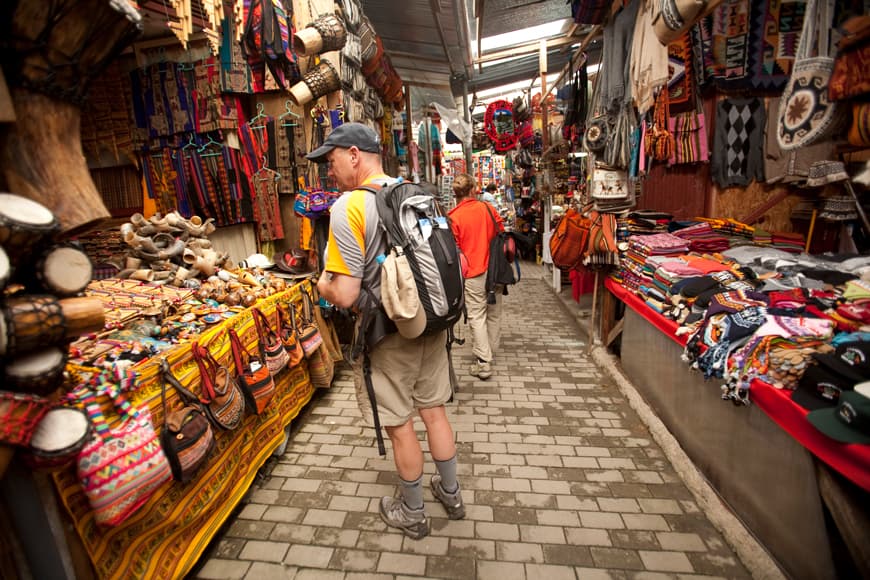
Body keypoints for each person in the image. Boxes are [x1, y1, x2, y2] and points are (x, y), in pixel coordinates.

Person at [308, 123, 465, 540]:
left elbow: (344, 294)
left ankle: (413, 512)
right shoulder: (415, 192)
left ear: (355, 155)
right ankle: (451, 493)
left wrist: (320, 283)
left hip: (390, 332)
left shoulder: (349, 207)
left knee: (400, 425)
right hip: (433, 321)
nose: (330, 168)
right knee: (434, 411)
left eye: (332, 158)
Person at [448, 173, 504, 380]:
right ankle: (489, 351)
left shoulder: (453, 216)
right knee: (494, 312)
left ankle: (484, 362)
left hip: (473, 273)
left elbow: (454, 250)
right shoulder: (488, 209)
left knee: (477, 315)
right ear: (473, 190)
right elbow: (501, 231)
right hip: (496, 269)